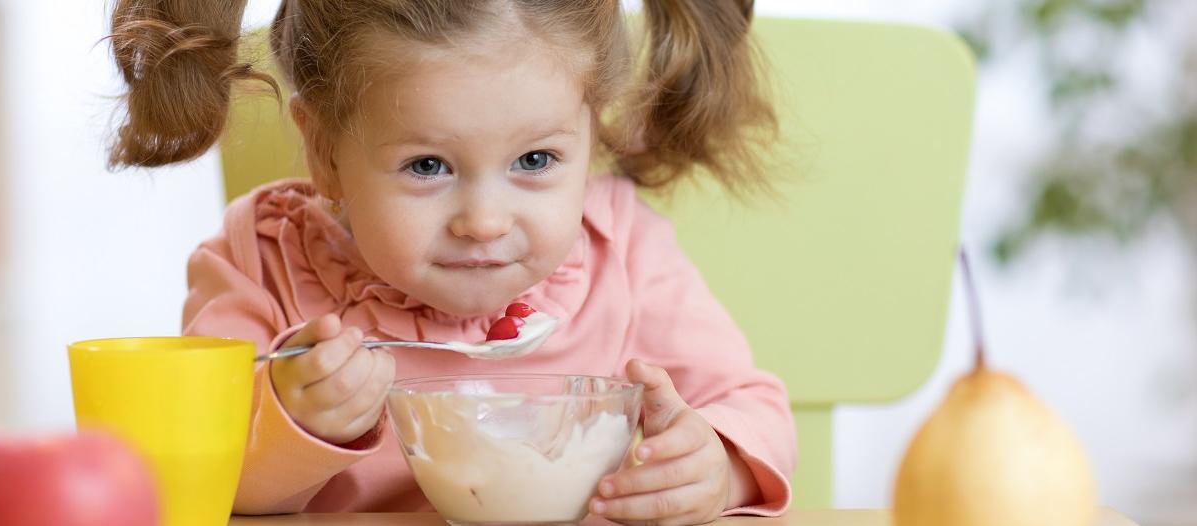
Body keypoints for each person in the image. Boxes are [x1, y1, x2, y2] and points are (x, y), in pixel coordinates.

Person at [107, 1, 796, 523]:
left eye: (535, 160)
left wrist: (716, 465)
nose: (484, 223)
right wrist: (297, 423)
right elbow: (200, 479)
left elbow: (752, 406)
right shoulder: (261, 261)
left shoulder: (625, 251)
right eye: (428, 165)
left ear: (591, 133)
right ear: (324, 151)